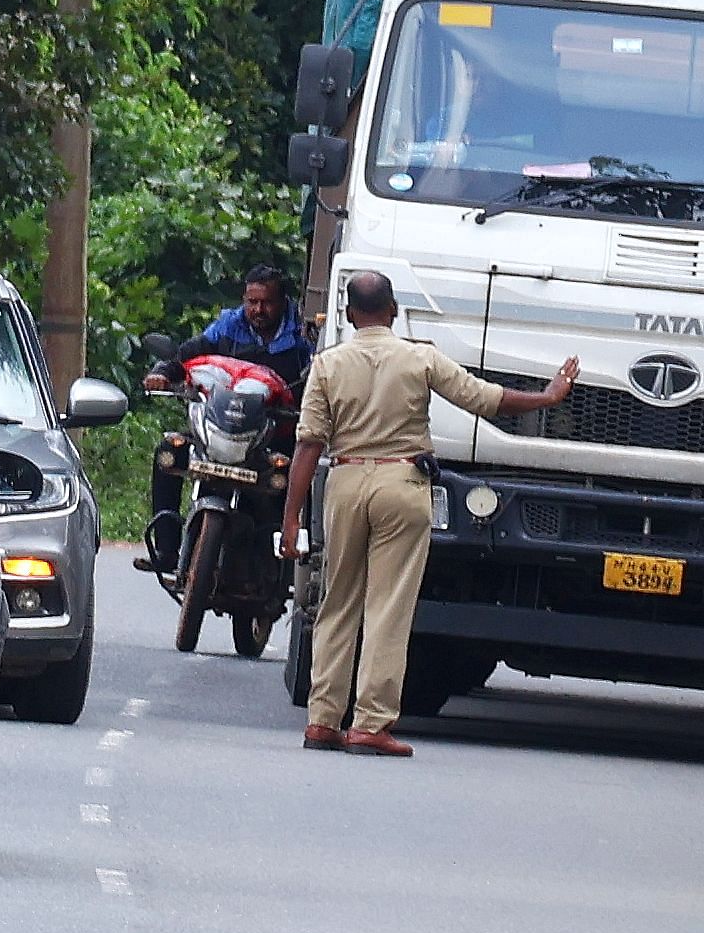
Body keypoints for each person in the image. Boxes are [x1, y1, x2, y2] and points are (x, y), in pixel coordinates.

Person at [275, 272, 576, 756]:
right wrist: (548, 396)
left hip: (346, 480)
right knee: (388, 606)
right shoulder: (420, 356)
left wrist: (291, 519)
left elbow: (308, 444)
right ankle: (370, 722)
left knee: (337, 601)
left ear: (350, 315)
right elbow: (485, 399)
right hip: (401, 482)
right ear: (393, 310)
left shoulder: (328, 364)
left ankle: (323, 719)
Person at [140, 265, 314, 569]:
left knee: (291, 475)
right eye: (252, 302)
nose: (258, 310)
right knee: (169, 452)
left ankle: (279, 562)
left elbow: (317, 377)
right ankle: (167, 549)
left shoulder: (300, 337)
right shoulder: (228, 325)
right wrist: (162, 373)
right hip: (219, 426)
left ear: (282, 301)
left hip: (273, 434)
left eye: (267, 303)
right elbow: (187, 355)